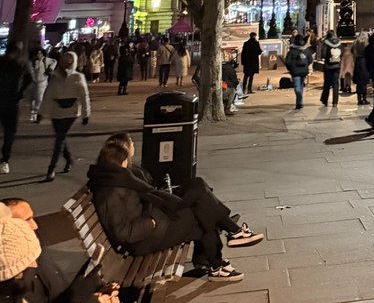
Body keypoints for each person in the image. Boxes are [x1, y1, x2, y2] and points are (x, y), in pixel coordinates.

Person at [86, 140, 259, 284]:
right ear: (121, 161)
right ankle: (223, 250)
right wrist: (151, 222)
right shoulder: (110, 191)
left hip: (153, 217)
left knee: (197, 186)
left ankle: (222, 246)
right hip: (144, 238)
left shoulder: (116, 179)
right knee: (201, 213)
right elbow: (125, 233)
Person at [37, 50, 90, 181]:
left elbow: (84, 97)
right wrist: (41, 113)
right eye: (65, 60)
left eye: (70, 60)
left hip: (70, 113)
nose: (67, 63)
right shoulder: (55, 77)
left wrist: (86, 114)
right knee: (61, 138)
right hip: (56, 112)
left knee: (59, 140)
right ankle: (68, 159)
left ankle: (51, 169)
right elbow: (48, 96)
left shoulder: (78, 77)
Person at [0, 44, 33, 176]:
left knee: (9, 132)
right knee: (10, 132)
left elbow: (29, 79)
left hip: (6, 100)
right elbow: (29, 79)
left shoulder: (4, 63)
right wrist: (20, 93)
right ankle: (5, 159)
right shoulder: (20, 64)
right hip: (12, 101)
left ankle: (5, 159)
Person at [26, 50, 52, 125]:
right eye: (37, 53)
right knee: (32, 100)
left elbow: (54, 62)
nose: (39, 55)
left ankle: (37, 116)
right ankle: (33, 114)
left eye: (40, 53)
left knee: (39, 100)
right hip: (32, 84)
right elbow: (29, 71)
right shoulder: (31, 62)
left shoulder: (46, 61)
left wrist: (50, 69)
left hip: (41, 84)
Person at [283, 39, 309, 111]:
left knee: (297, 87)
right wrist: (306, 66)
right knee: (301, 86)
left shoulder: (292, 51)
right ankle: (299, 103)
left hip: (295, 72)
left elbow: (287, 62)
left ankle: (299, 100)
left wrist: (290, 69)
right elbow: (310, 60)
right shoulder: (306, 50)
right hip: (304, 71)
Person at [319, 32, 342, 107]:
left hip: (328, 66)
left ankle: (325, 100)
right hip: (337, 65)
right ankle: (335, 102)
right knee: (336, 84)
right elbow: (341, 52)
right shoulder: (339, 42)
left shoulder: (326, 43)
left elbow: (323, 54)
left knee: (327, 83)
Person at [351, 32, 369, 106]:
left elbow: (352, 50)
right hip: (365, 62)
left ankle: (359, 99)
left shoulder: (356, 42)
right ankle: (364, 98)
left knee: (359, 83)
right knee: (364, 82)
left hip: (357, 62)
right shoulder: (367, 43)